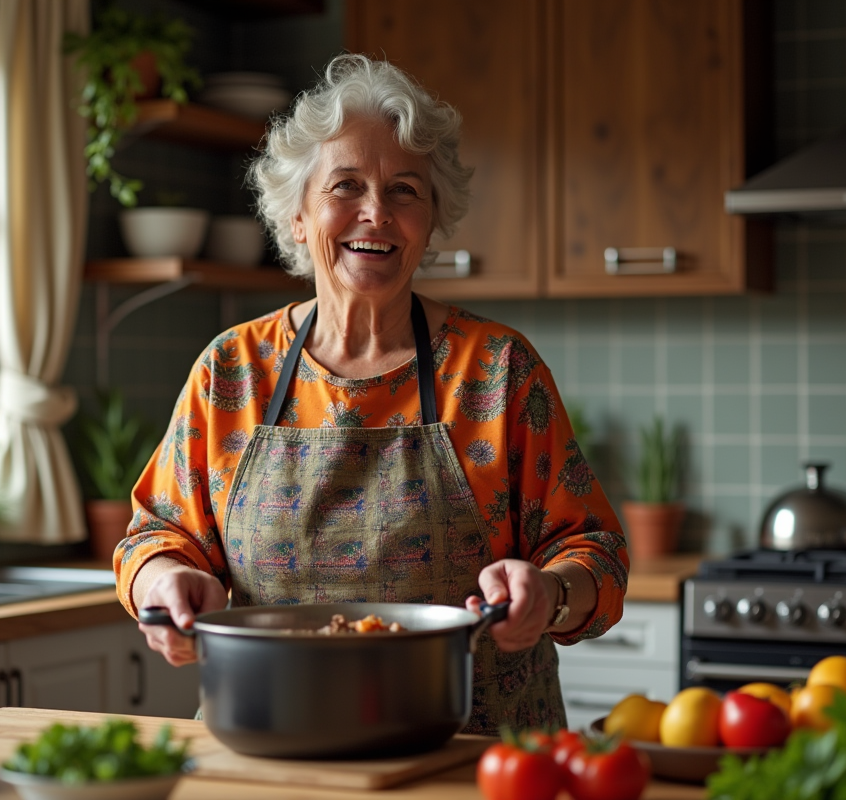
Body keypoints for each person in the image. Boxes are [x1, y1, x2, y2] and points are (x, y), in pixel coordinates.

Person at [113, 54, 629, 734]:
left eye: (406, 190)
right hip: (272, 745)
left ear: (433, 219)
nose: (376, 213)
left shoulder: (496, 371)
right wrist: (164, 587)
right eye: (346, 186)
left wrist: (553, 594)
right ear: (297, 218)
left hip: (475, 758)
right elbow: (155, 534)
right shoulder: (232, 372)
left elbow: (595, 551)